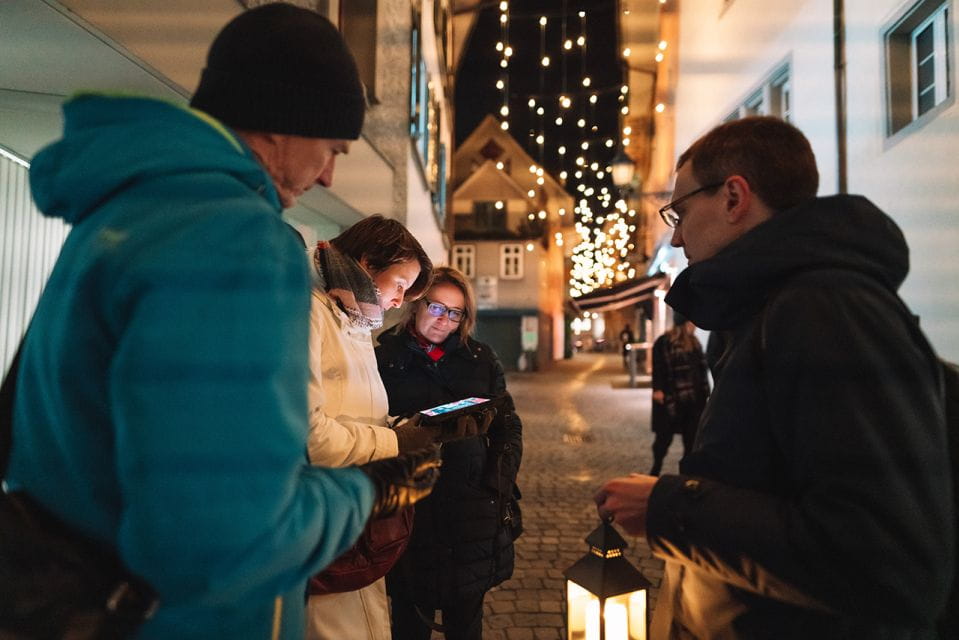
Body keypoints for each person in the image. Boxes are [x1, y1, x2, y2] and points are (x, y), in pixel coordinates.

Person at [6, 5, 437, 639]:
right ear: (282, 123)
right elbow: (231, 533)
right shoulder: (237, 239)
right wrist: (371, 493)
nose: (328, 174)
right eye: (330, 147)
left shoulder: (125, 214)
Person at [594, 116, 953, 638]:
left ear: (734, 198)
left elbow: (887, 559)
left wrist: (669, 508)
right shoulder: (769, 309)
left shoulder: (825, 310)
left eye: (681, 211)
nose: (674, 236)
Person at [304, 214, 438, 640]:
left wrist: (407, 430)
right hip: (325, 517)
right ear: (365, 263)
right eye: (399, 283)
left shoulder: (352, 319)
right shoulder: (310, 312)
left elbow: (356, 412)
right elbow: (308, 435)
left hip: (357, 510)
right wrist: (392, 440)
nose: (401, 300)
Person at [376, 266, 523, 640]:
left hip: (469, 510)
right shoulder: (383, 356)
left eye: (455, 312)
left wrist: (495, 485)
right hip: (408, 507)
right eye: (437, 307)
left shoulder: (481, 359)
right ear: (417, 304)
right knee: (409, 622)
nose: (444, 320)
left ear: (465, 318)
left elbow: (508, 428)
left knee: (466, 624)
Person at [649, 314, 709, 476]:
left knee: (691, 440)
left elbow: (700, 372)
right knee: (663, 439)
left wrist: (706, 394)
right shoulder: (664, 342)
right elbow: (658, 367)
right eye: (692, 322)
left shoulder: (694, 343)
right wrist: (658, 389)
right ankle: (656, 468)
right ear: (685, 323)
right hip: (671, 399)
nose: (695, 326)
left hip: (693, 400)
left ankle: (686, 475)